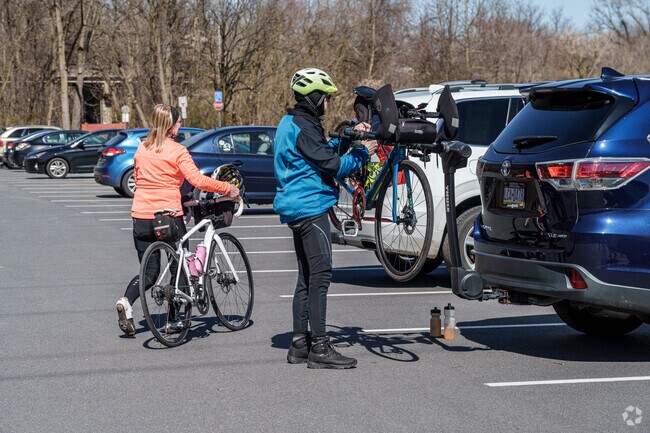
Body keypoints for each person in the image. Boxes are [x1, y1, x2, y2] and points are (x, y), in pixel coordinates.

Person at [274, 68, 378, 369]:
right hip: (310, 207)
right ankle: (320, 347)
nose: (328, 105)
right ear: (315, 97)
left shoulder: (292, 122)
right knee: (320, 277)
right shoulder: (305, 127)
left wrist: (348, 140)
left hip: (297, 206)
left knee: (306, 278)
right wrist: (362, 153)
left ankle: (299, 345)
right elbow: (332, 165)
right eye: (327, 99)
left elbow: (317, 153)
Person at [115, 104, 239, 337]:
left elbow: (141, 179)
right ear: (171, 125)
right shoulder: (178, 151)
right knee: (179, 266)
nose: (180, 125)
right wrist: (227, 188)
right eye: (178, 122)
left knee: (149, 273)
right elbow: (197, 180)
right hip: (168, 217)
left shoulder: (142, 148)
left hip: (140, 216)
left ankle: (126, 301)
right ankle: (174, 319)